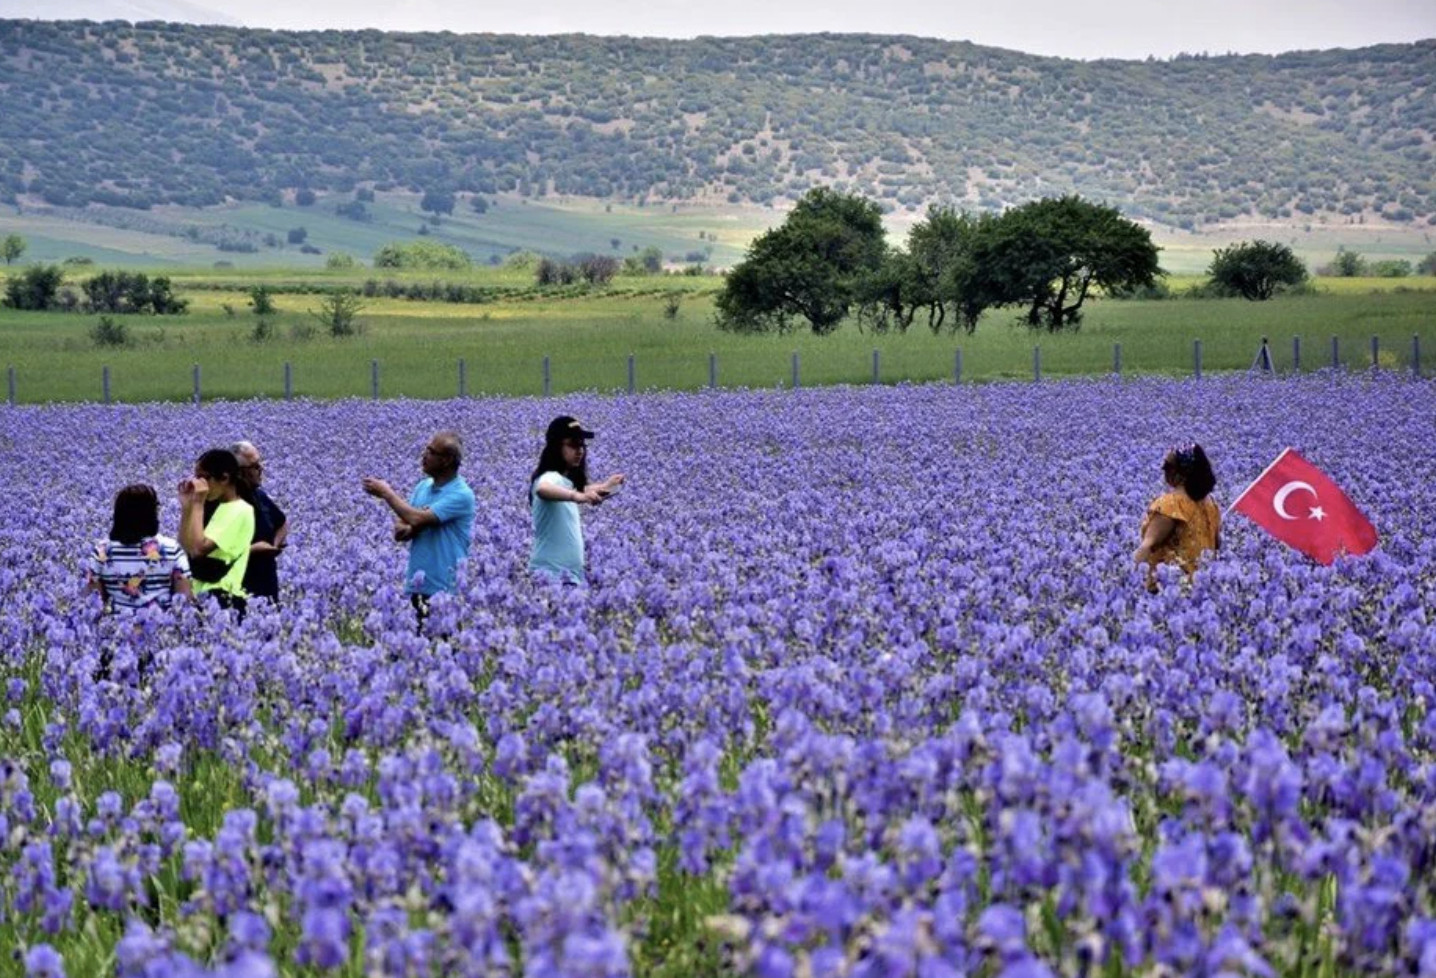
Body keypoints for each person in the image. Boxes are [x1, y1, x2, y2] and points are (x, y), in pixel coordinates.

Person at [362, 430, 475, 625]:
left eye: (431, 452)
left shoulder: (461, 494)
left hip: (446, 588)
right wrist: (414, 524)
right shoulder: (422, 487)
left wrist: (387, 493)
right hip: (419, 585)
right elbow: (401, 529)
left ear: (446, 460)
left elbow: (412, 517)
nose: (424, 455)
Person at [529, 415, 625, 584]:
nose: (580, 450)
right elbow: (543, 489)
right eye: (573, 444)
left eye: (582, 445)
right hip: (550, 576)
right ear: (556, 447)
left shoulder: (564, 482)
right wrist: (578, 497)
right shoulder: (550, 477)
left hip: (569, 576)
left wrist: (606, 486)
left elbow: (580, 490)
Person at [86, 484, 192, 612]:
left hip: (117, 628)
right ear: (152, 513)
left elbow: (93, 604)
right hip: (161, 628)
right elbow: (184, 600)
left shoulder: (101, 551)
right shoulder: (171, 549)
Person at [178, 448, 255, 618]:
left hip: (223, 599)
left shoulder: (241, 510)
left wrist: (198, 504)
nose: (200, 484)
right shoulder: (217, 508)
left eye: (204, 477)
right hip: (199, 594)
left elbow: (199, 549)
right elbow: (186, 547)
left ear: (225, 478)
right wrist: (187, 508)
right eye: (196, 478)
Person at [1135, 443, 1221, 582]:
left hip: (1169, 590)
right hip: (1203, 589)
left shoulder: (1170, 505)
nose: (1164, 472)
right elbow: (1216, 546)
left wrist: (1128, 579)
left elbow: (1147, 546)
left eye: (1168, 468)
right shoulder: (1211, 504)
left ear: (1181, 472)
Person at [232, 440, 288, 604]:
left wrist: (274, 544)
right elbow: (210, 556)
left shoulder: (259, 496)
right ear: (239, 472)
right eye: (255, 466)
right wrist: (252, 551)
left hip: (267, 585)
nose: (261, 469)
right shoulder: (224, 504)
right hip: (239, 590)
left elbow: (282, 523)